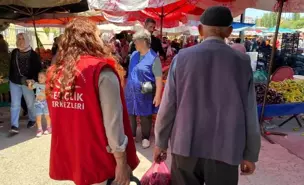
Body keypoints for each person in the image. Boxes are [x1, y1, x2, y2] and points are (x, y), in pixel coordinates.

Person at [154, 6, 261, 185]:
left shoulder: (182, 58)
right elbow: (250, 112)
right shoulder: (242, 63)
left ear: (200, 29)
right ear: (229, 31)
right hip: (226, 148)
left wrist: (161, 142)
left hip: (185, 145)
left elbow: (168, 106)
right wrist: (250, 153)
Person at [46, 17, 139, 185]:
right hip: (99, 159)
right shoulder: (100, 71)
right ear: (91, 38)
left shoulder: (54, 73)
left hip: (74, 155)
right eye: (98, 34)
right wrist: (122, 162)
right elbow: (113, 124)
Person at [125, 29, 163, 149]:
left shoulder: (154, 58)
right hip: (131, 89)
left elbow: (158, 79)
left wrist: (157, 96)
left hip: (146, 87)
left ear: (143, 41)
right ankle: (132, 135)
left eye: (135, 41)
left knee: (145, 113)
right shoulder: (134, 55)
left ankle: (145, 137)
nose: (134, 43)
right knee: (131, 112)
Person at [9, 33, 42, 133]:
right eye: (18, 38)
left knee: (30, 103)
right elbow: (12, 67)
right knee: (15, 103)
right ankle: (14, 125)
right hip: (14, 81)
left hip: (28, 83)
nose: (20, 40)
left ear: (27, 40)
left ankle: (32, 119)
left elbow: (38, 70)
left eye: (23, 38)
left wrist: (32, 80)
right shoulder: (14, 52)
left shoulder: (34, 55)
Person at [27, 72, 51, 137]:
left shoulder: (47, 85)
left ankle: (49, 128)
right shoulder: (36, 84)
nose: (39, 79)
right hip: (38, 103)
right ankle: (40, 129)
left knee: (47, 117)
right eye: (38, 77)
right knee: (38, 118)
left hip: (45, 103)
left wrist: (45, 93)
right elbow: (30, 88)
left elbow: (50, 93)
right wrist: (29, 84)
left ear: (46, 78)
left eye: (41, 77)